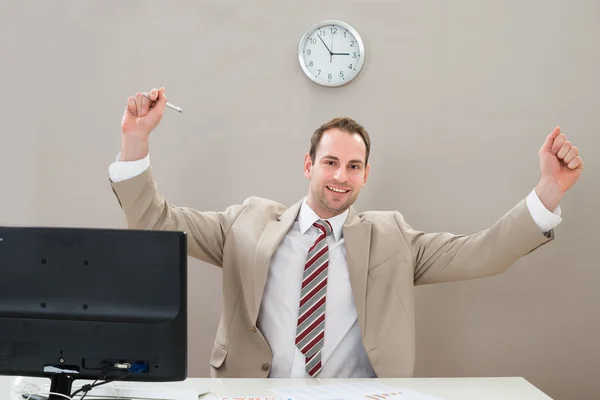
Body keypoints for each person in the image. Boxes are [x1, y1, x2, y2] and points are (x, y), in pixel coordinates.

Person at [109, 87, 584, 378]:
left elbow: (484, 254)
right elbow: (157, 221)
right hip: (256, 395)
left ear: (366, 175)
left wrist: (548, 190)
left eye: (353, 166)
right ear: (308, 165)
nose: (340, 175)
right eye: (331, 162)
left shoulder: (393, 237)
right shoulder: (247, 223)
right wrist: (136, 140)